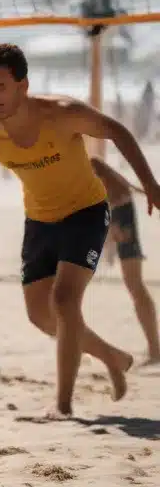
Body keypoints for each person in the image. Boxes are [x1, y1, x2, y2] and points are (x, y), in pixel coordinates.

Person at [0, 42, 159, 417]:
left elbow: (118, 132)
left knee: (65, 302)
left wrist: (152, 185)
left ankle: (62, 405)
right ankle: (111, 356)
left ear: (23, 85)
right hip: (39, 222)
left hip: (86, 212)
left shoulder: (62, 114)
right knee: (40, 315)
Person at [91, 155, 160, 363]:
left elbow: (112, 195)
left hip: (120, 216)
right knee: (135, 287)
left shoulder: (89, 166)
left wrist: (110, 231)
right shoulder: (91, 165)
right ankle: (154, 348)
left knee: (135, 286)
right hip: (119, 213)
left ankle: (155, 349)